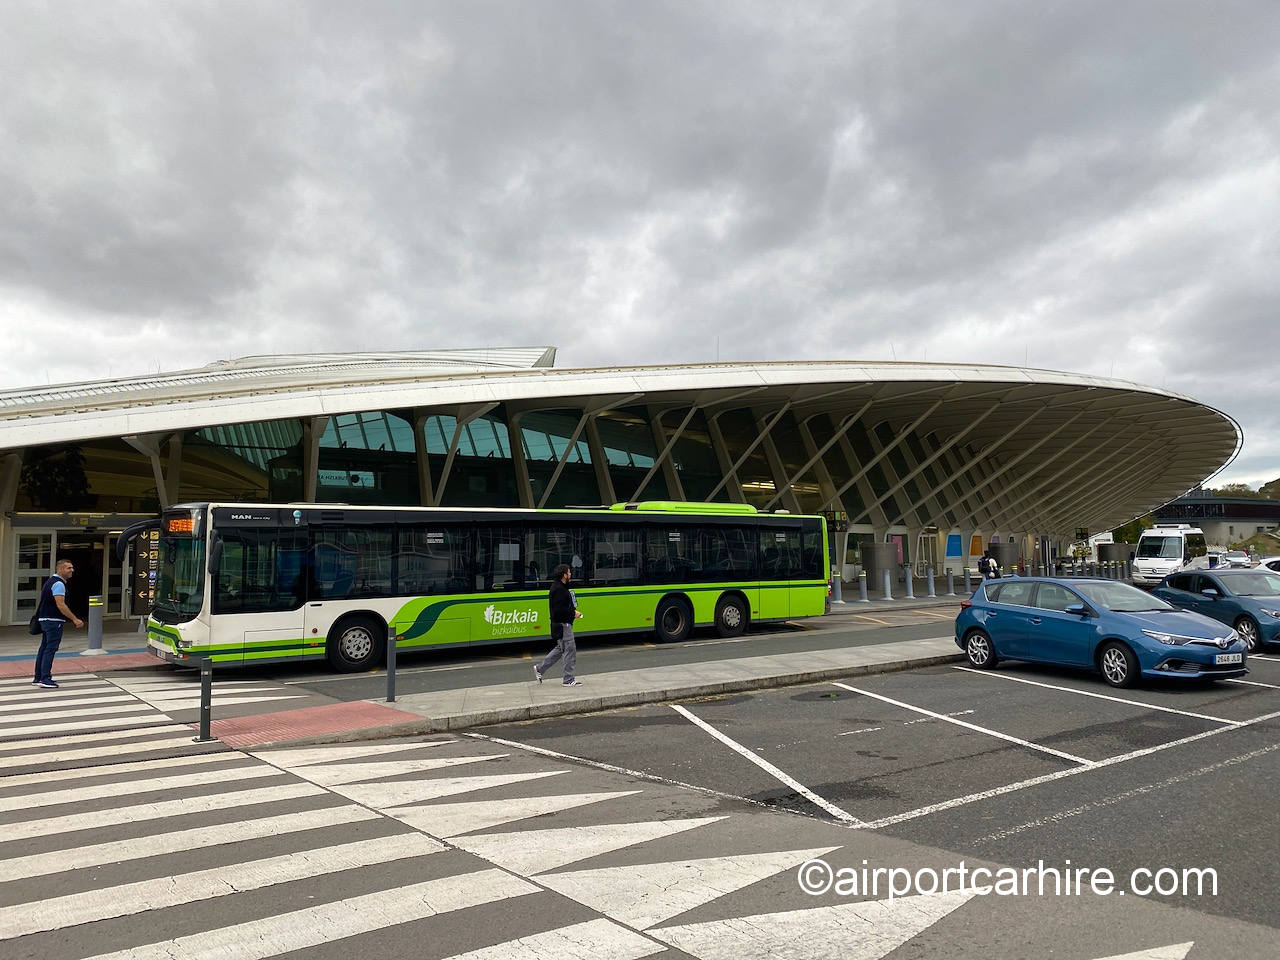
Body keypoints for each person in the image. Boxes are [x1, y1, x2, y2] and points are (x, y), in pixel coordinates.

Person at [33, 558, 84, 690]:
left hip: (45, 620)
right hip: (53, 621)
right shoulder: (59, 584)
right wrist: (75, 619)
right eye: (69, 568)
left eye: (72, 567)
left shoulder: (49, 582)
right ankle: (45, 678)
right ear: (60, 569)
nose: (72, 570)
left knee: (44, 648)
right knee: (50, 649)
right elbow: (61, 605)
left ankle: (38, 677)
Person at [534, 563, 584, 686]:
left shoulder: (559, 587)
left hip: (560, 624)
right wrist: (573, 613)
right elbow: (559, 609)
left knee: (561, 649)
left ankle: (540, 669)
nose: (571, 574)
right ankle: (568, 679)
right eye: (569, 572)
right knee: (570, 650)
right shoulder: (559, 589)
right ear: (564, 575)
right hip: (563, 624)